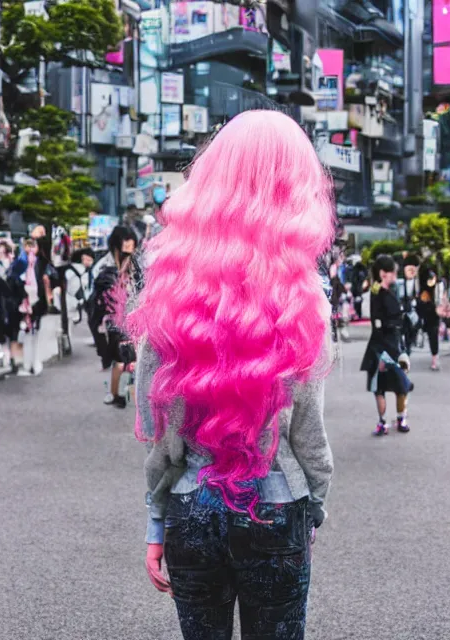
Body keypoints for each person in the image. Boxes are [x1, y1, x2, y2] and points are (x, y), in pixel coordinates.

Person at [127, 110, 334, 640]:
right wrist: (313, 507)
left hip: (190, 508)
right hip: (275, 505)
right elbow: (308, 434)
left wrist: (156, 521)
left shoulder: (168, 292)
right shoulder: (303, 299)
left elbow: (160, 432)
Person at [360, 255, 414, 436]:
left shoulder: (381, 292)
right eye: (393, 272)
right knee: (396, 384)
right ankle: (393, 419)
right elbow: (385, 323)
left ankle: (390, 420)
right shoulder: (382, 294)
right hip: (389, 345)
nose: (395, 275)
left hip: (385, 344)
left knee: (388, 386)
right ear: (384, 273)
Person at [90, 226, 140, 407]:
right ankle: (114, 393)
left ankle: (127, 394)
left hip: (133, 316)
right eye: (125, 243)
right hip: (113, 318)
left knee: (132, 359)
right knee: (120, 359)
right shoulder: (105, 266)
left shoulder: (134, 263)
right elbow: (97, 294)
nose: (129, 246)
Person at [10, 237, 51, 376]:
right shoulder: (20, 262)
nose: (31, 249)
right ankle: (26, 363)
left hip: (36, 302)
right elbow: (13, 280)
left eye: (33, 245)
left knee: (35, 333)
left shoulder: (41, 263)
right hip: (23, 301)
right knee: (26, 333)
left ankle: (33, 362)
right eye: (28, 245)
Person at [418, 260, 441, 371]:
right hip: (425, 309)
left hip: (430, 310)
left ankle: (435, 358)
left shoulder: (431, 280)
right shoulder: (424, 279)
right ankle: (434, 358)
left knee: (433, 334)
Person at [397, 255, 421, 355]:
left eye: (413, 269)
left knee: (411, 332)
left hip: (413, 312)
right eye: (409, 269)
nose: (411, 272)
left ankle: (408, 347)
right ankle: (403, 348)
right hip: (401, 311)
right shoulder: (399, 283)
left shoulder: (418, 283)